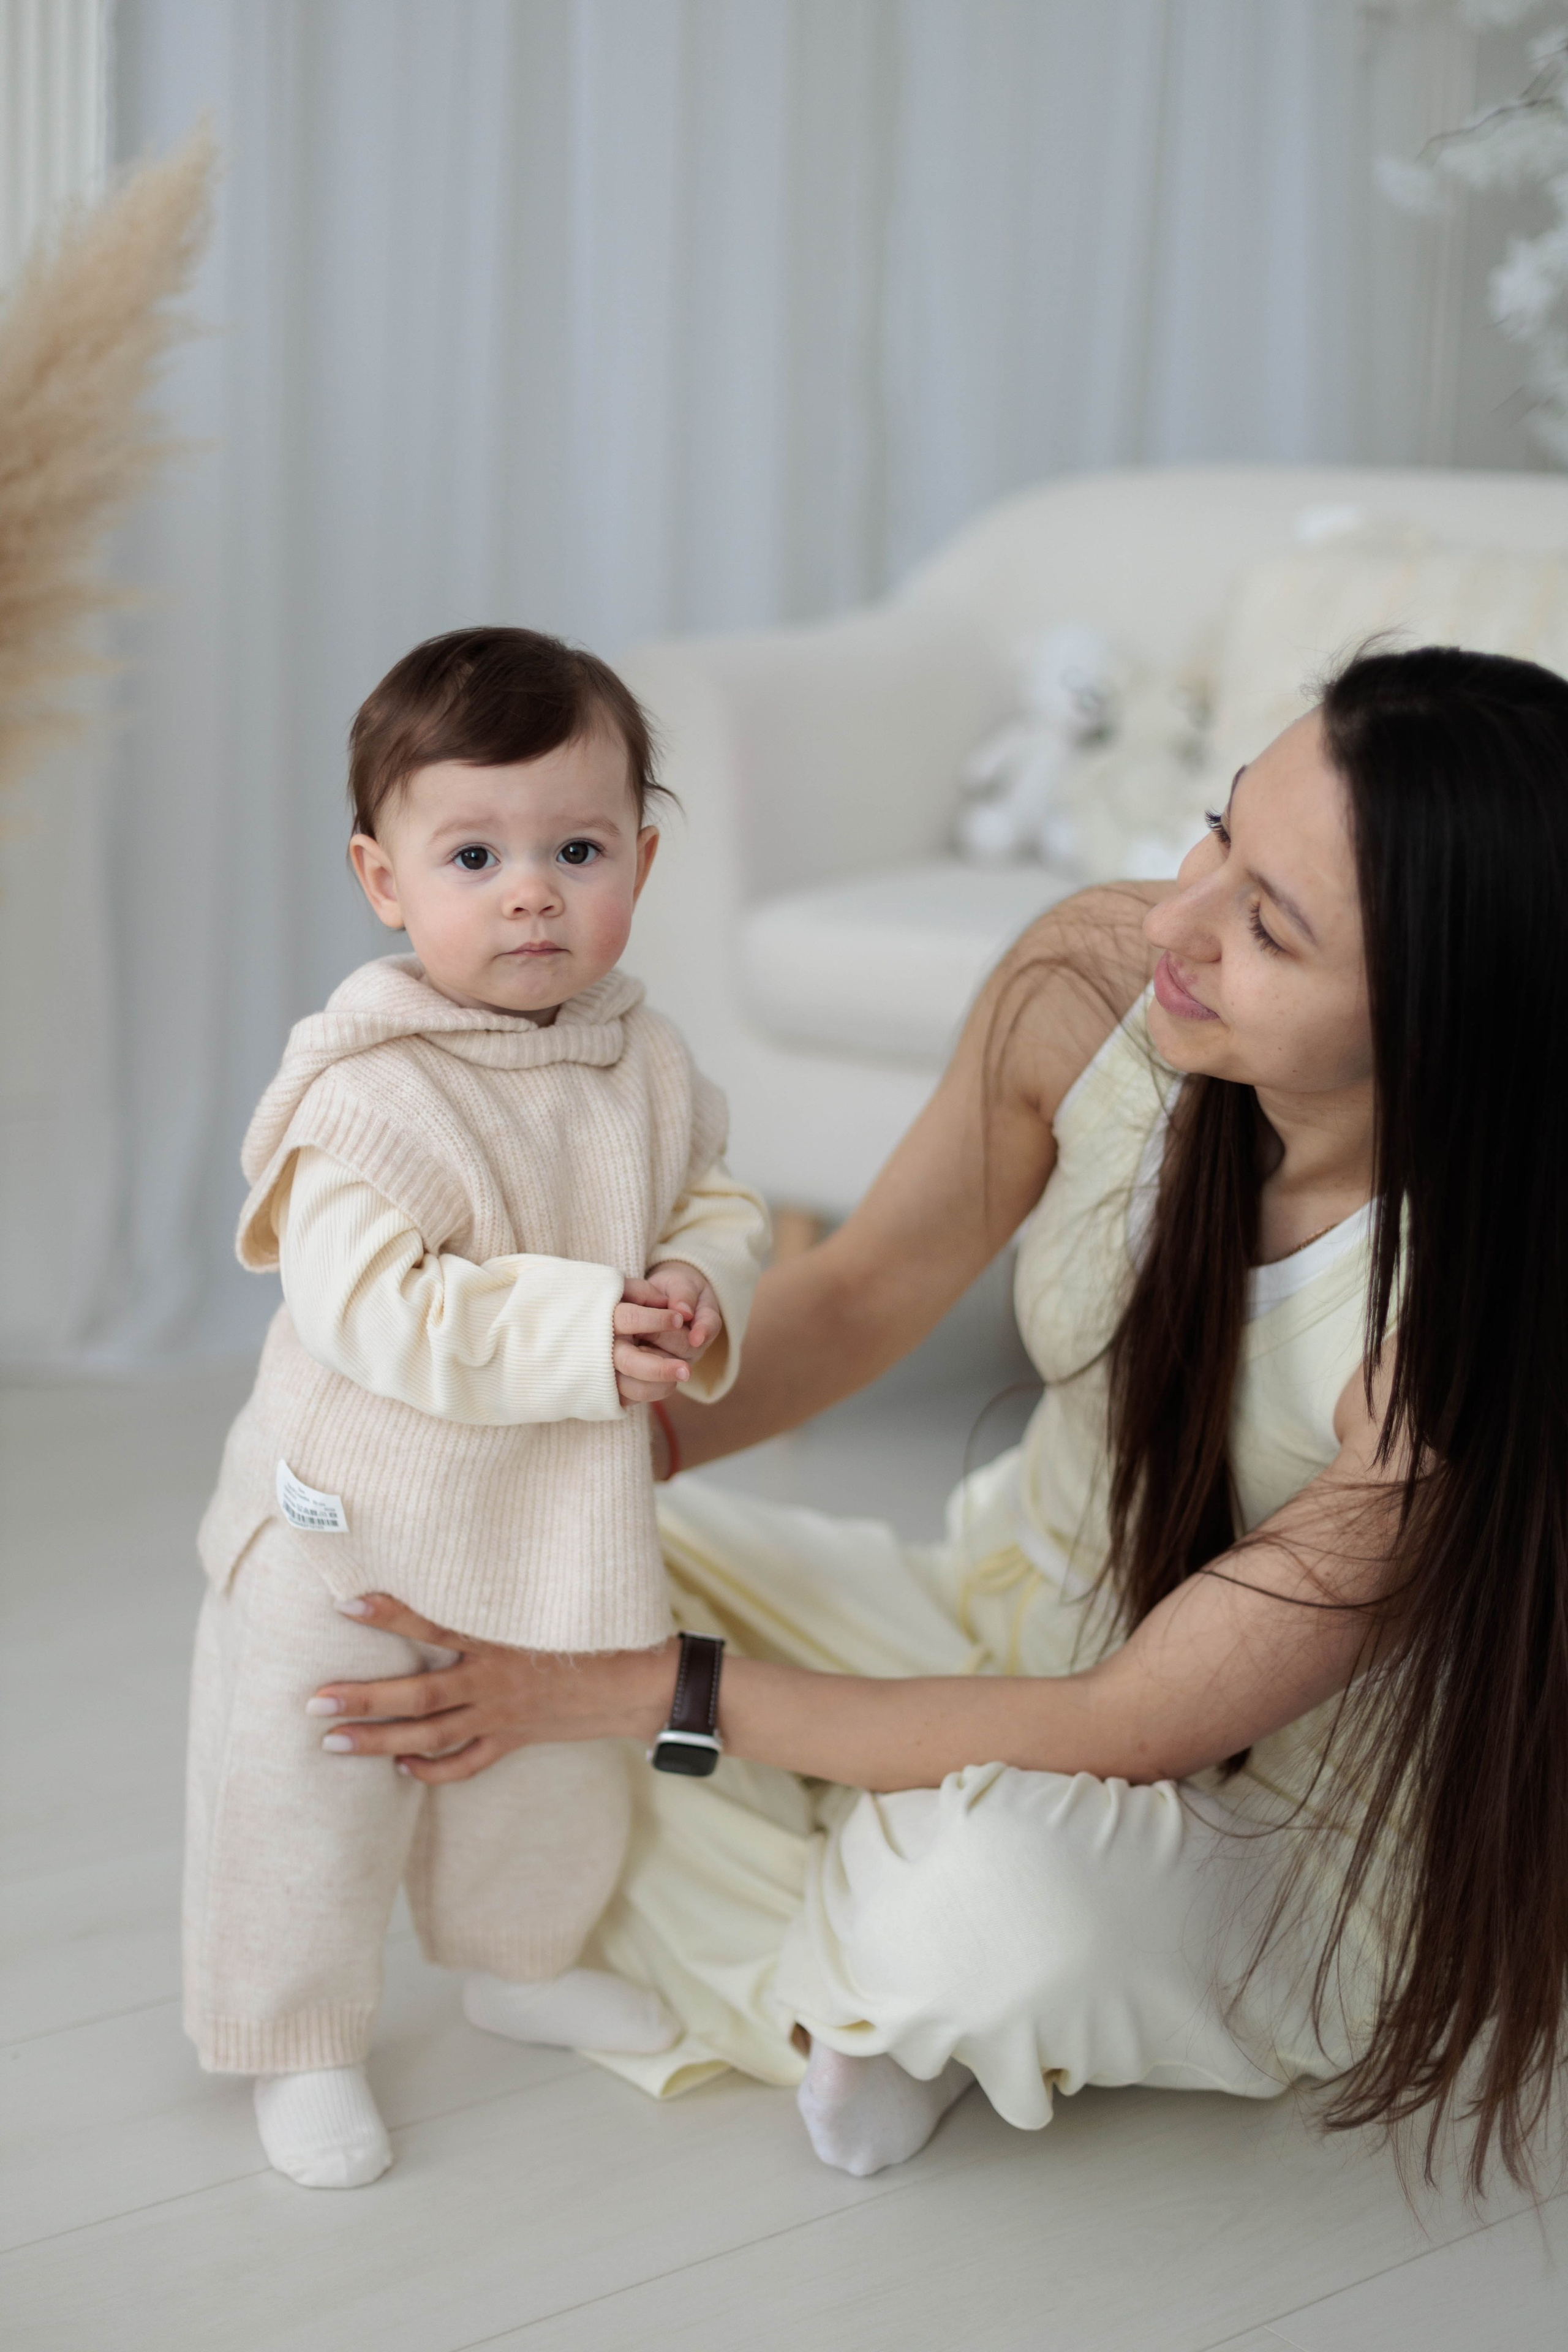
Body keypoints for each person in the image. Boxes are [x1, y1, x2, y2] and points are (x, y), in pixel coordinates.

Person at [306, 647, 1568, 2194]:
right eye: (1219, 831)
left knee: (989, 1900)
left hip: (1259, 1828)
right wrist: (584, 1459)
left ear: (1443, 1030)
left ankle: (898, 1950)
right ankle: (875, 1976)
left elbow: (1129, 1730)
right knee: (472, 1587)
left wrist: (635, 1693)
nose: (1177, 917)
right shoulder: (1092, 982)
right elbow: (859, 1293)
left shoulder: (1450, 1329)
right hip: (993, 1619)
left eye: (1266, 925)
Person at [185, 628, 770, 2188]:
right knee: (313, 1772)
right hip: (349, 1515)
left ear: (639, 862)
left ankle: (518, 1961)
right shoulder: (366, 1094)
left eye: (575, 849)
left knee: (551, 1758)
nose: (531, 891)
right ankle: (297, 2037)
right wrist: (590, 1327)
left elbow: (712, 1195)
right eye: (476, 854)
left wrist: (701, 1280)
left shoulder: (642, 1056)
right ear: (385, 882)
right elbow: (378, 1314)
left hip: (548, 1509)